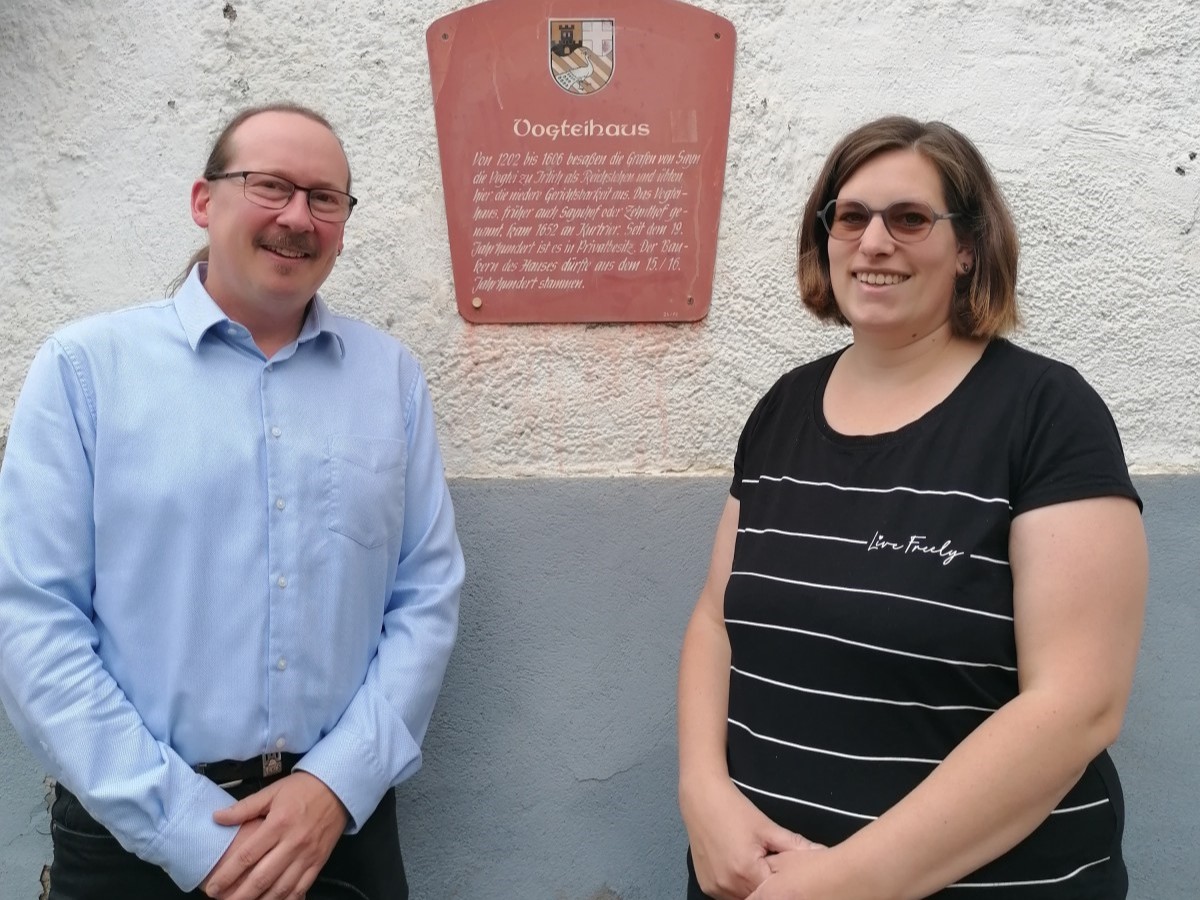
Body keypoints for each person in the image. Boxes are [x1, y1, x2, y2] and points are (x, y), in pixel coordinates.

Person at [0, 103, 464, 900]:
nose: (297, 217)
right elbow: (33, 622)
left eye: (325, 198)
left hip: (336, 832)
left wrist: (336, 785)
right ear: (203, 201)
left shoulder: (389, 378)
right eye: (270, 186)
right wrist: (184, 830)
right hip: (132, 845)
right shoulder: (85, 371)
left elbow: (426, 597)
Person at [677, 116, 1147, 900]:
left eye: (910, 218)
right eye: (852, 216)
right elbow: (715, 622)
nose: (874, 242)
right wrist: (703, 795)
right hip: (754, 880)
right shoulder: (783, 410)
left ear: (967, 247)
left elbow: (1079, 706)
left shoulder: (1045, 414)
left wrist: (846, 883)